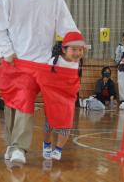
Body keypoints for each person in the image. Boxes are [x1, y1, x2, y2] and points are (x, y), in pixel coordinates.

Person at [0, 0, 78, 164]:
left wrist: (76, 46)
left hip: (44, 63)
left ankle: (20, 147)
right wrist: (6, 51)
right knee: (14, 104)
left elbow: (67, 25)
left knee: (26, 102)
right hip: (17, 61)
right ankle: (12, 145)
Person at [43, 31, 85, 161]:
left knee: (66, 126)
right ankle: (46, 144)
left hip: (68, 100)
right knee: (49, 124)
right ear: (64, 49)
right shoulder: (54, 62)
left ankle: (59, 148)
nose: (78, 53)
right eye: (74, 49)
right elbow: (44, 79)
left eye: (80, 49)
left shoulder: (78, 63)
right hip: (53, 99)